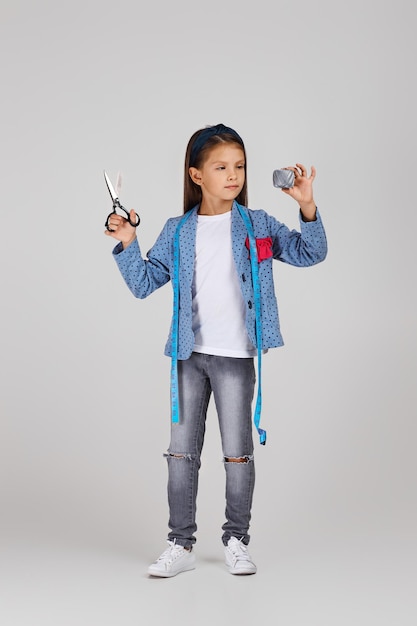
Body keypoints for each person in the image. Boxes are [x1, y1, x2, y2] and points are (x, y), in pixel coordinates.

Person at [104, 123, 327, 577]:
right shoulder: (178, 230)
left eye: (240, 166)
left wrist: (307, 206)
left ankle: (236, 539)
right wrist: (129, 243)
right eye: (221, 167)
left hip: (237, 357)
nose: (233, 175)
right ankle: (180, 544)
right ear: (196, 175)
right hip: (189, 356)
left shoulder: (257, 223)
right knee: (181, 454)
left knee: (238, 453)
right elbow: (145, 283)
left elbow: (310, 253)